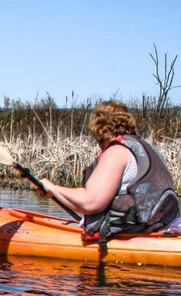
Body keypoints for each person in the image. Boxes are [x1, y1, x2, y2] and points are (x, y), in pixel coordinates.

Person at [40, 100, 178, 243]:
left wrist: (53, 188)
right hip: (157, 228)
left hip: (132, 235)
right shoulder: (143, 148)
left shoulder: (117, 152)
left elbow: (90, 202)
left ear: (100, 130)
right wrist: (54, 193)